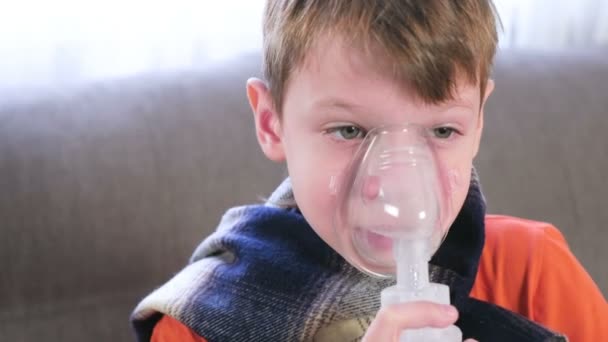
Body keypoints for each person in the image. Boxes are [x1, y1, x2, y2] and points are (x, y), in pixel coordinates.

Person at [131, 1, 608, 341]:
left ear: (479, 119)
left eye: (442, 132)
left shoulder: (531, 272)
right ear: (271, 122)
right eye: (349, 130)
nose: (397, 183)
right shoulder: (199, 322)